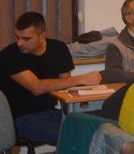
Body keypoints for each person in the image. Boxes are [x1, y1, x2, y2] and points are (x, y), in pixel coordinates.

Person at [0, 12, 101, 143]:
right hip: (21, 119)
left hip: (51, 112)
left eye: (26, 39)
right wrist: (81, 79)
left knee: (94, 129)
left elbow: (64, 86)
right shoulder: (9, 55)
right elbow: (36, 88)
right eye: (17, 37)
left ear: (43, 36)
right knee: (74, 136)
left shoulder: (59, 48)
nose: (19, 43)